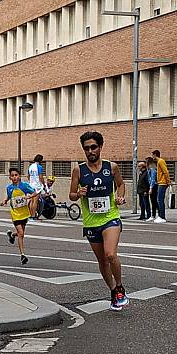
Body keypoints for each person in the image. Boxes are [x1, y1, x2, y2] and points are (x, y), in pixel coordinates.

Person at [69, 131, 129, 311]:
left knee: (110, 254)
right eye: (86, 148)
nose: (90, 151)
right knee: (102, 261)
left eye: (93, 147)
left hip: (110, 217)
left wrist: (120, 197)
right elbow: (71, 195)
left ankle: (119, 287)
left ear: (100, 147)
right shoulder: (78, 170)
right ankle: (112, 291)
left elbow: (120, 184)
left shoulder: (111, 167)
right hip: (91, 222)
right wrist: (78, 193)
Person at [1, 167, 38, 265]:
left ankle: (12, 235)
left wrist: (29, 196)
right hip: (15, 213)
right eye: (12, 175)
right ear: (9, 177)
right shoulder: (9, 188)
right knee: (21, 233)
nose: (14, 177)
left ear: (19, 176)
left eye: (16, 175)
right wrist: (5, 201)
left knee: (20, 234)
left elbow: (35, 192)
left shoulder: (24, 186)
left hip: (24, 213)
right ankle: (22, 255)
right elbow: (9, 196)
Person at [152, 149, 171, 223]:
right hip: (160, 182)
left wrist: (168, 181)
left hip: (163, 183)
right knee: (159, 200)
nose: (152, 157)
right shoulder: (159, 162)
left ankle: (162, 216)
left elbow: (165, 171)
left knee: (160, 200)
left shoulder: (160, 161)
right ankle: (160, 216)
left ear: (155, 155)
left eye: (152, 155)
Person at [27, 154, 46, 219]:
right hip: (37, 185)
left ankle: (30, 214)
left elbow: (28, 176)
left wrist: (31, 182)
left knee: (31, 201)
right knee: (35, 201)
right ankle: (33, 215)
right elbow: (40, 177)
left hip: (31, 185)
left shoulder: (30, 166)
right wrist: (43, 184)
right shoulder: (39, 167)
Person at [146, 157, 158, 221]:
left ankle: (154, 215)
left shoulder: (152, 169)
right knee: (154, 201)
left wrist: (151, 188)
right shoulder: (151, 169)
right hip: (153, 186)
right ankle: (153, 215)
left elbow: (153, 180)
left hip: (154, 187)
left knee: (154, 201)